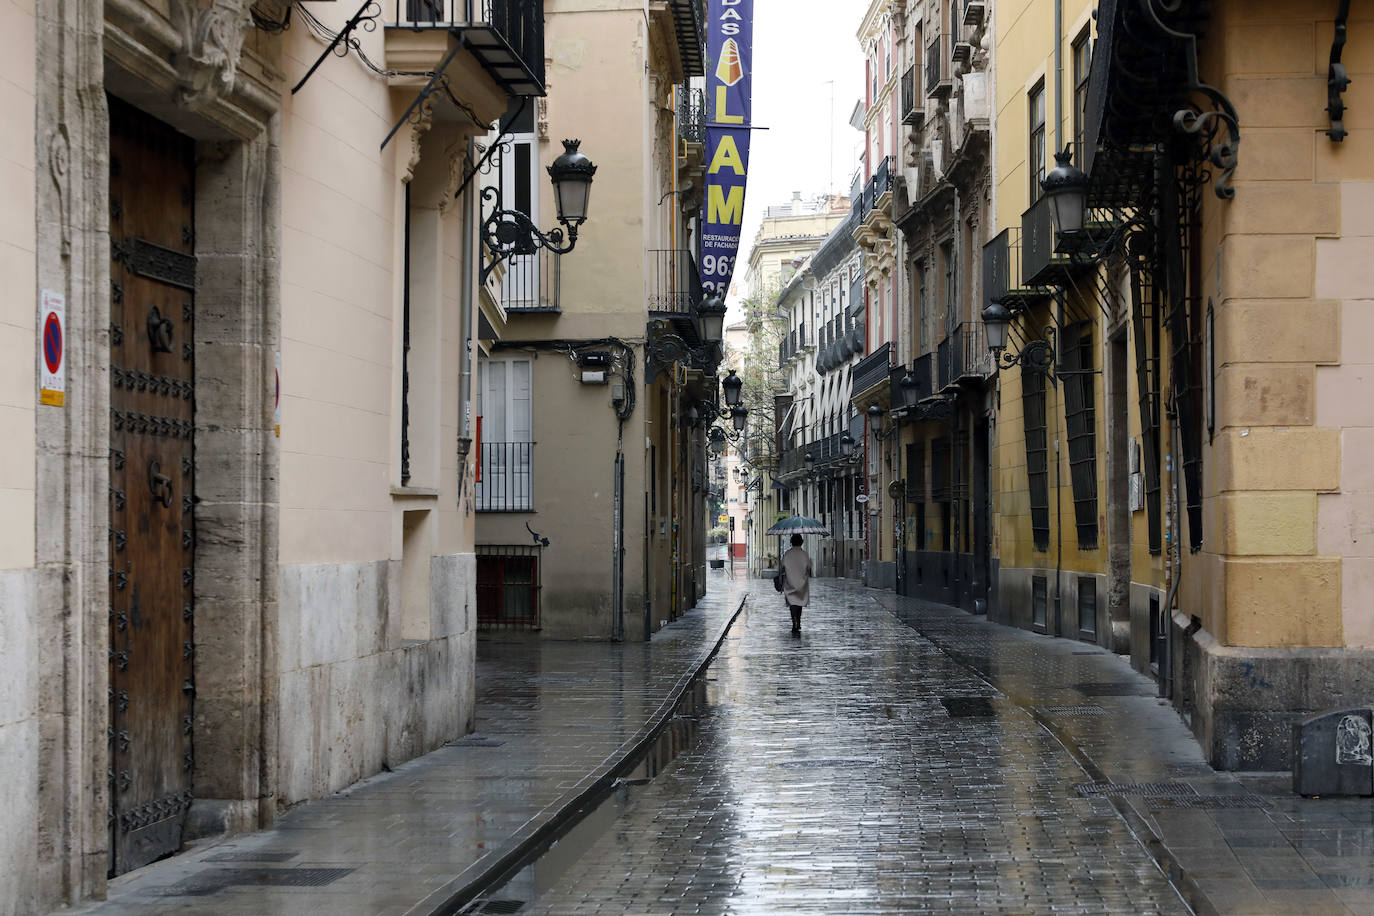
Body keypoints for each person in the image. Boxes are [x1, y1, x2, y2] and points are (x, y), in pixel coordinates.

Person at [780, 533, 813, 635]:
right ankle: (798, 621)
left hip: (790, 582)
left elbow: (782, 566)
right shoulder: (804, 554)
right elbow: (809, 567)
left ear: (791, 542)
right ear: (801, 542)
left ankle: (794, 621)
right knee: (800, 603)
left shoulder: (787, 554)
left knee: (792, 603)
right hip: (801, 583)